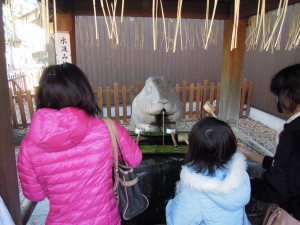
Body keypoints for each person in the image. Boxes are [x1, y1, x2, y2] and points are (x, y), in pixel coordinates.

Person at [17, 63, 142, 225]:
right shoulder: (107, 129)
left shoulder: (29, 145)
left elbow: (35, 195)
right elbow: (134, 159)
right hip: (105, 219)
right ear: (83, 91)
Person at [239, 63, 300, 222]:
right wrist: (251, 155)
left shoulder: (294, 132)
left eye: (278, 93)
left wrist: (236, 181)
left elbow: (277, 187)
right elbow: (291, 169)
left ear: (290, 95)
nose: (277, 98)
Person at [166, 117, 251, 225]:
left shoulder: (194, 191)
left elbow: (178, 222)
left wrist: (171, 205)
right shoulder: (241, 175)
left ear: (193, 150)